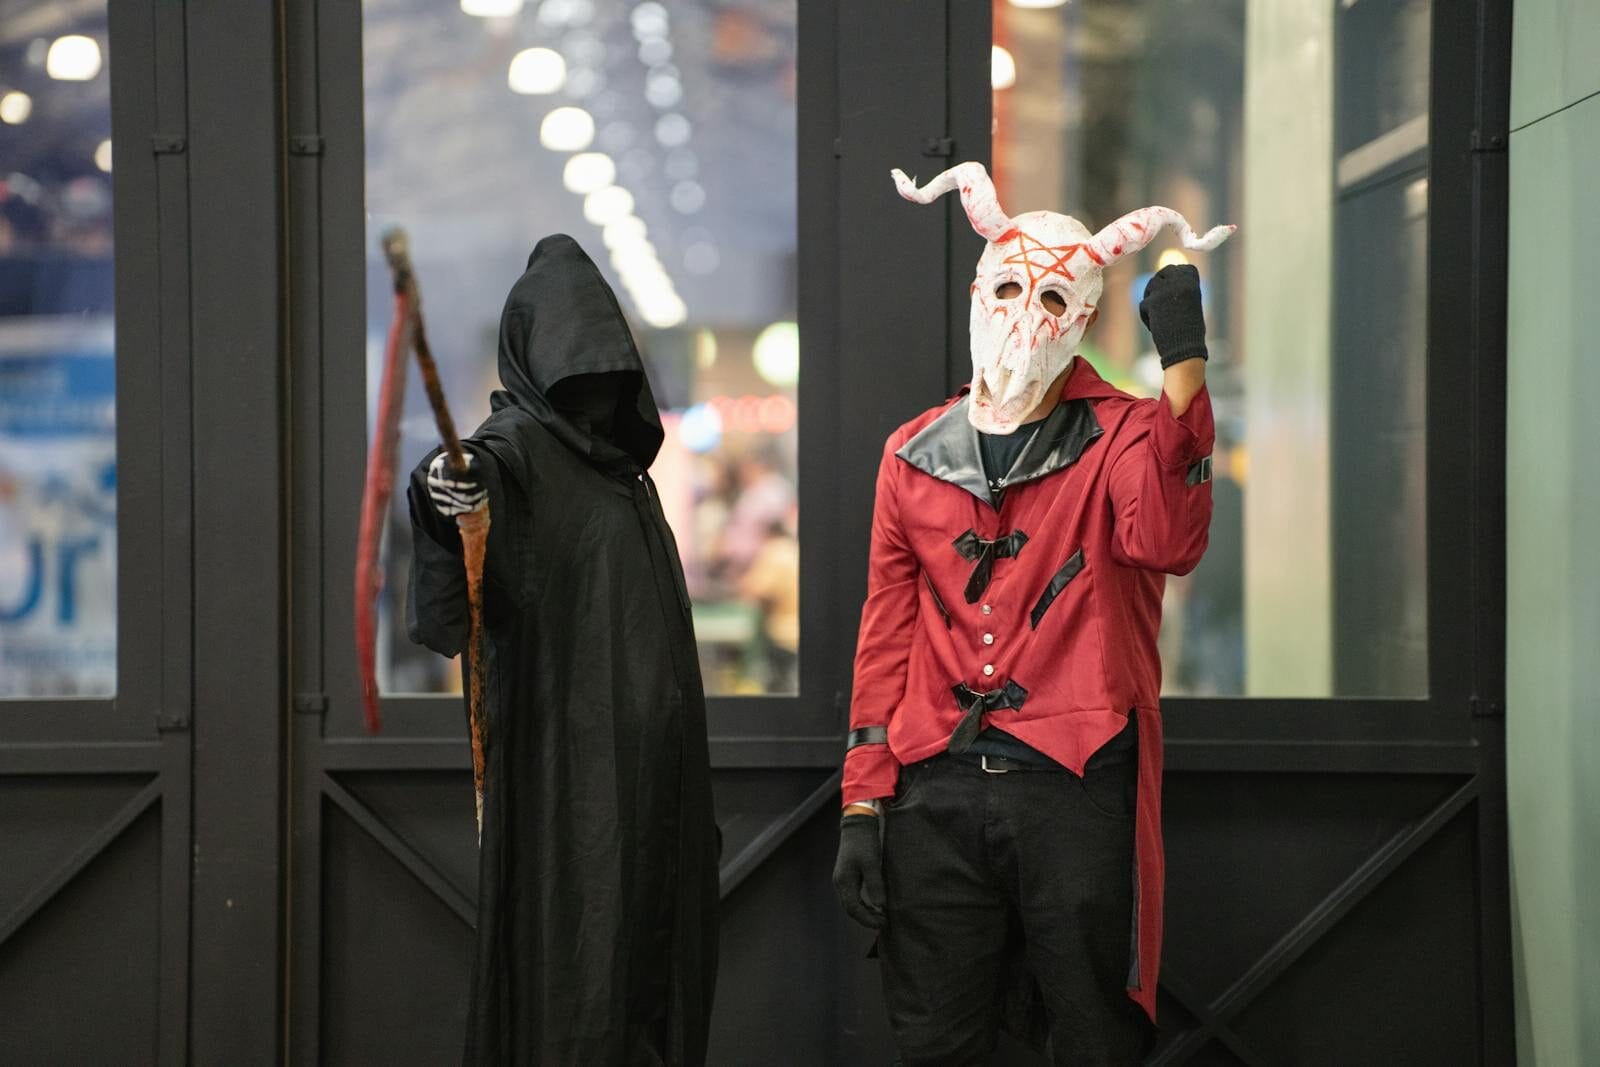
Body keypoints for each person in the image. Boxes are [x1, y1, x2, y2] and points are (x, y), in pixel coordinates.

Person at [832, 162, 1231, 1064]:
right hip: (934, 786)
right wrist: (863, 798)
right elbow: (886, 626)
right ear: (978, 293)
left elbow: (1169, 541)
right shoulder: (912, 452)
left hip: (1076, 784)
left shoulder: (1128, 432)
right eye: (1008, 286)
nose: (1024, 314)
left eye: (1053, 297)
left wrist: (1184, 374)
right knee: (940, 1037)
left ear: (1083, 316)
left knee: (1091, 1034)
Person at [407, 234, 719, 1065]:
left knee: (653, 971)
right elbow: (474, 478)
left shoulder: (625, 476)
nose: (595, 393)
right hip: (569, 783)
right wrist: (449, 491)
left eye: (607, 373)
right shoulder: (524, 451)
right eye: (578, 370)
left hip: (658, 783)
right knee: (578, 970)